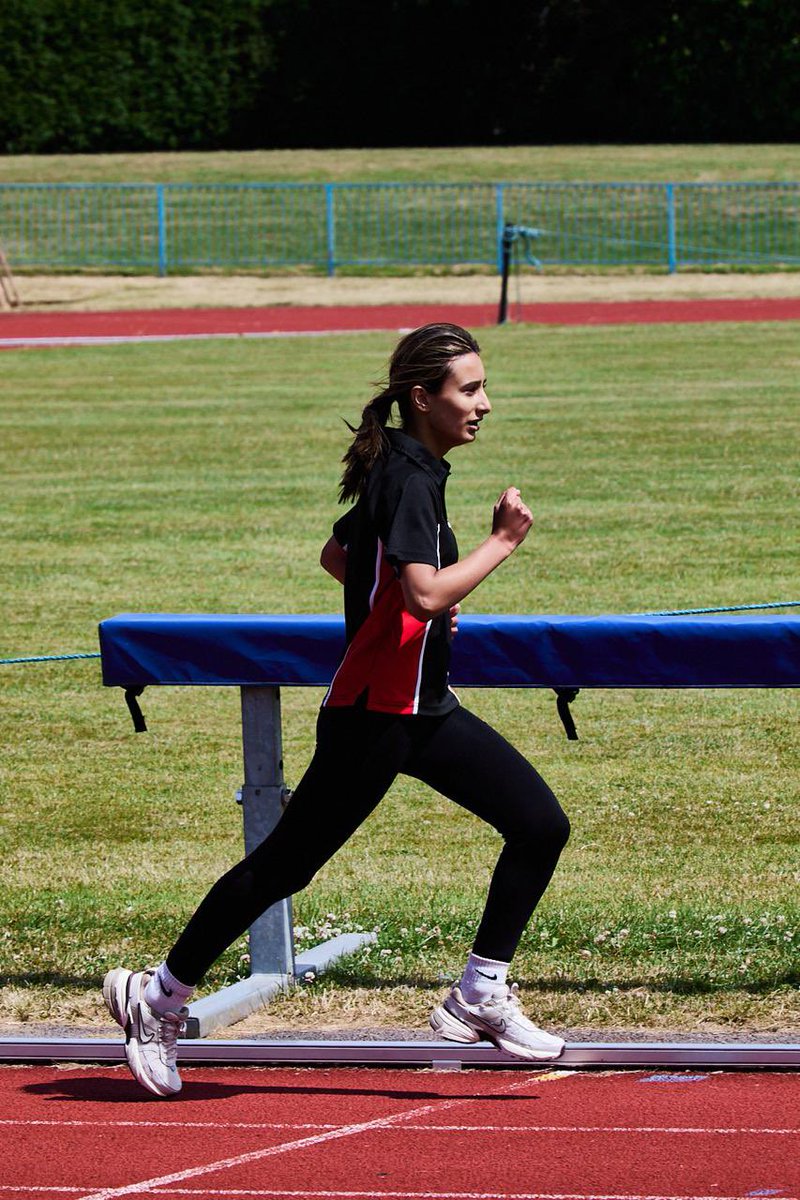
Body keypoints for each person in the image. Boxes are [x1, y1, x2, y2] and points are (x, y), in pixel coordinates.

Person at [103, 322, 570, 1097]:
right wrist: (499, 545)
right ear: (423, 398)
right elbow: (423, 592)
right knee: (284, 868)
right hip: (374, 716)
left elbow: (343, 558)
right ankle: (156, 1000)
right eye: (470, 389)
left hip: (423, 710)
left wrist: (409, 605)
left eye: (483, 387)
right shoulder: (410, 478)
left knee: (540, 825)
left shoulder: (408, 468)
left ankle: (480, 992)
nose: (485, 403)